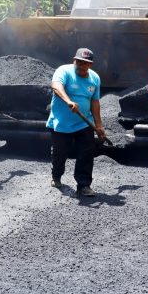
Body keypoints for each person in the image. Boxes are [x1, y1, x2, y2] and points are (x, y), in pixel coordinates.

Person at [47, 48, 106, 197]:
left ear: (90, 64)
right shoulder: (64, 71)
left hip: (84, 123)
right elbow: (56, 86)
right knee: (60, 153)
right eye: (78, 61)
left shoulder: (95, 78)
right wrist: (68, 101)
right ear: (74, 60)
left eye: (85, 63)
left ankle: (84, 185)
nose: (80, 65)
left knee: (86, 152)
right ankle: (56, 175)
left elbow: (95, 102)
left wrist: (98, 125)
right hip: (62, 123)